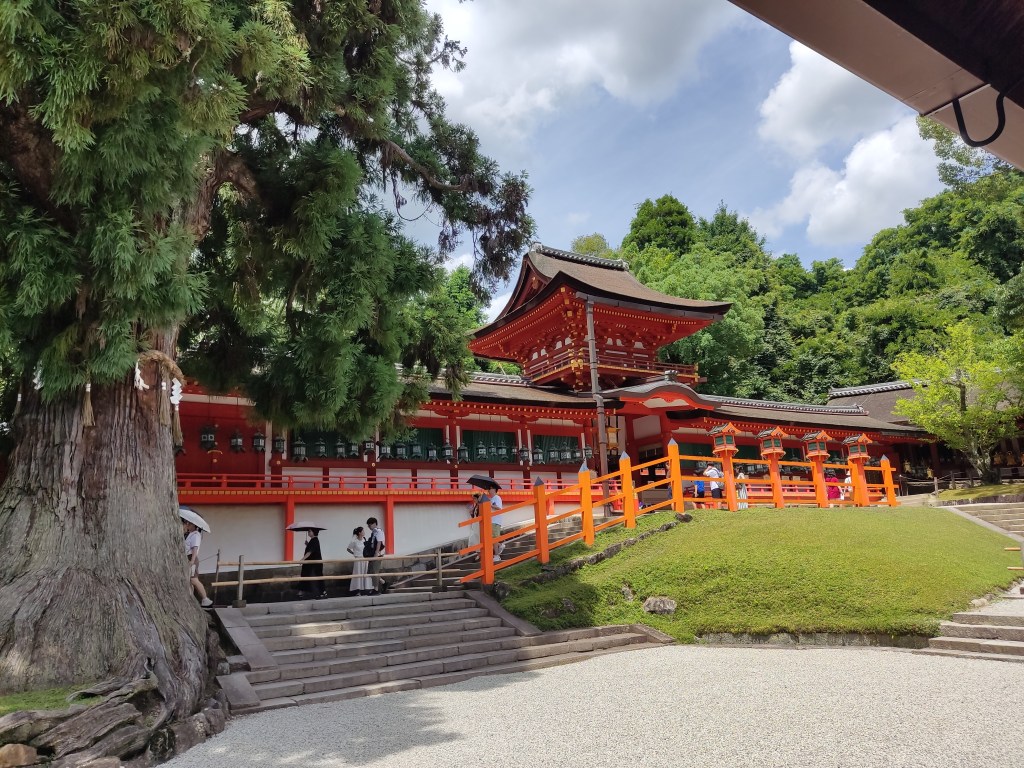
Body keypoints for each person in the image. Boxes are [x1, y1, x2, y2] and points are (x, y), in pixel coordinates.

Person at [182, 520, 213, 608]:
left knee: (194, 579)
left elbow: (194, 549)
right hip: (188, 557)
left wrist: (192, 560)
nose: (188, 525)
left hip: (191, 557)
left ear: (194, 526)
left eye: (190, 524)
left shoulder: (195, 535)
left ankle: (206, 599)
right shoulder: (189, 534)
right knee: (190, 579)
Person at [346, 526, 373, 595]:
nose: (364, 532)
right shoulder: (354, 541)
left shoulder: (364, 539)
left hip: (365, 558)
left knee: (366, 573)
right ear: (359, 533)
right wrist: (354, 553)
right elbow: (348, 549)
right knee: (358, 574)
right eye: (363, 531)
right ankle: (357, 590)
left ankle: (367, 588)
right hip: (358, 559)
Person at [300, 528, 326, 599]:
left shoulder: (314, 540)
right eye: (308, 531)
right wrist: (307, 544)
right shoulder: (313, 540)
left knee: (317, 577)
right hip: (313, 563)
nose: (308, 532)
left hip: (315, 563)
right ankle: (320, 592)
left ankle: (321, 593)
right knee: (315, 577)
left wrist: (302, 559)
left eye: (310, 531)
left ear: (314, 532)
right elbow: (312, 549)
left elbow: (310, 552)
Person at [366, 517, 386, 593]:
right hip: (373, 554)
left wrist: (375, 554)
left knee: (374, 571)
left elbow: (379, 543)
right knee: (370, 571)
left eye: (370, 525)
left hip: (378, 554)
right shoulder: (374, 532)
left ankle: (376, 589)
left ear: (374, 523)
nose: (369, 527)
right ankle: (383, 583)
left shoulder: (379, 531)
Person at [484, 486, 504, 563]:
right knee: (491, 538)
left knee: (494, 538)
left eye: (490, 488)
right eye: (488, 489)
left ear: (494, 490)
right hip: (491, 521)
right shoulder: (492, 499)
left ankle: (497, 555)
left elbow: (499, 508)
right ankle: (500, 545)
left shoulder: (497, 497)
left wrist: (489, 504)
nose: (488, 490)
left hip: (495, 521)